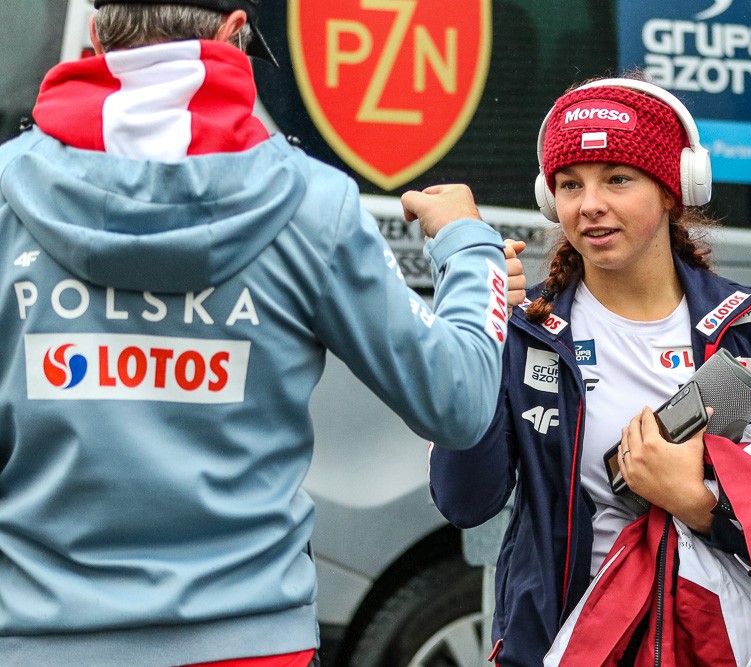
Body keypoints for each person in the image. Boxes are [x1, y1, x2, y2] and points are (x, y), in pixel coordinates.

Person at [0, 2, 513, 666]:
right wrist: (469, 248)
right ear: (234, 30)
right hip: (250, 642)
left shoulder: (7, 191)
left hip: (38, 639)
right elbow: (460, 399)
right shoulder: (313, 205)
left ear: (96, 35)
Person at [429, 76, 751, 665]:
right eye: (570, 184)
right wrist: (476, 335)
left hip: (720, 647)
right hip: (557, 646)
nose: (589, 204)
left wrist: (696, 503)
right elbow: (465, 501)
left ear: (673, 191)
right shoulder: (526, 329)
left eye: (617, 178)